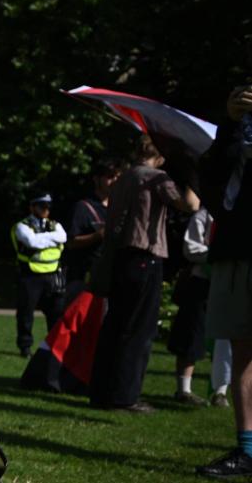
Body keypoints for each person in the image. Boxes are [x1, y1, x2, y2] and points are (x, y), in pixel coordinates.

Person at [90, 136, 199, 412]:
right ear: (160, 155)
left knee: (115, 325)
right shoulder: (156, 177)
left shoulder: (124, 177)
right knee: (138, 329)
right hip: (145, 256)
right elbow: (190, 205)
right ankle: (125, 395)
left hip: (120, 257)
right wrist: (189, 172)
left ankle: (102, 391)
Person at [195, 83, 252, 477]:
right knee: (242, 351)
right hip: (239, 249)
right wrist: (231, 124)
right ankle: (247, 450)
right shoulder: (236, 128)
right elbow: (211, 178)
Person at [11, 192, 67, 356]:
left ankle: (53, 346)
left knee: (56, 313)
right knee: (26, 313)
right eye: (42, 206)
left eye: (48, 206)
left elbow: (62, 237)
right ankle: (25, 347)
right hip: (30, 275)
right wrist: (51, 239)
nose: (46, 209)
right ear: (32, 207)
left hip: (53, 276)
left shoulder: (55, 224)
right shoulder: (22, 226)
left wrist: (41, 238)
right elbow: (31, 242)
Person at [167, 206, 213, 406]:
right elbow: (191, 248)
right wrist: (218, 253)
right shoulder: (204, 215)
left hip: (226, 281)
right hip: (201, 282)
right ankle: (183, 389)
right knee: (191, 335)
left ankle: (220, 391)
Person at [62, 159, 122, 301]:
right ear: (96, 179)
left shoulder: (120, 208)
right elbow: (70, 242)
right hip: (83, 278)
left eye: (117, 177)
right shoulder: (83, 208)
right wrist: (97, 236)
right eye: (109, 177)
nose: (114, 181)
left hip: (111, 276)